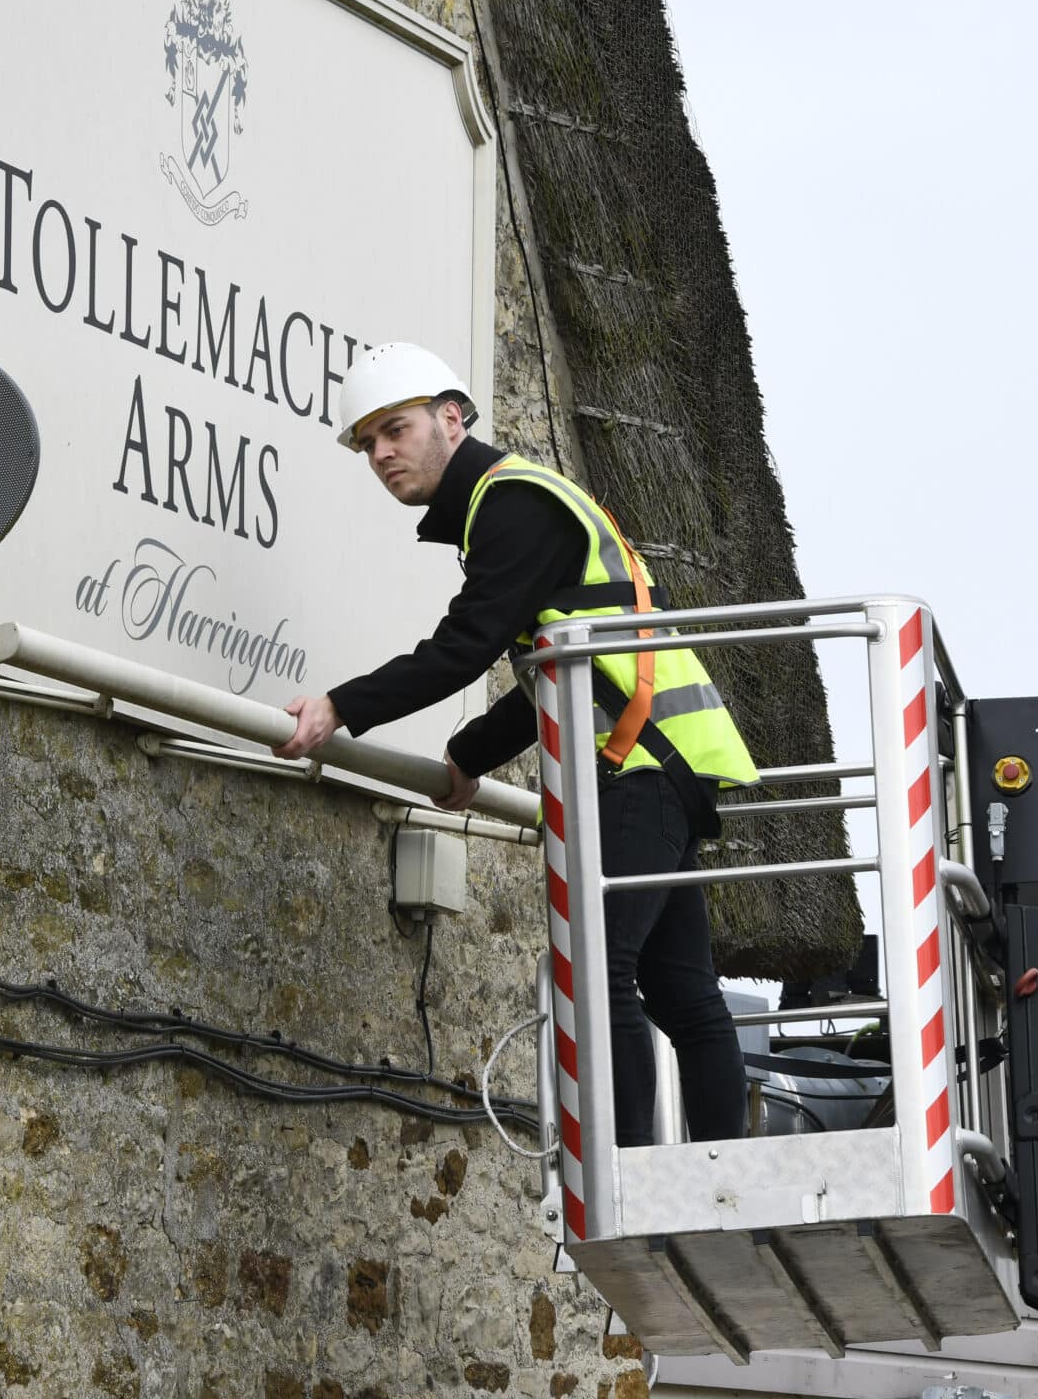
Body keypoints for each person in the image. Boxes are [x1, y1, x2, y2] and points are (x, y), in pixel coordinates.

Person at [277, 343, 759, 1147]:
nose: (382, 454)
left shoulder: (512, 504)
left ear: (452, 418)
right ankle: (722, 1172)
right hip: (656, 761)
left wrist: (339, 706)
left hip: (638, 766)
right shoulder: (512, 507)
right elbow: (554, 674)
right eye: (367, 445)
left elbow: (465, 646)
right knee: (682, 995)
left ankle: (631, 1175)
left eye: (394, 429)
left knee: (603, 974)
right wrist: (466, 755)